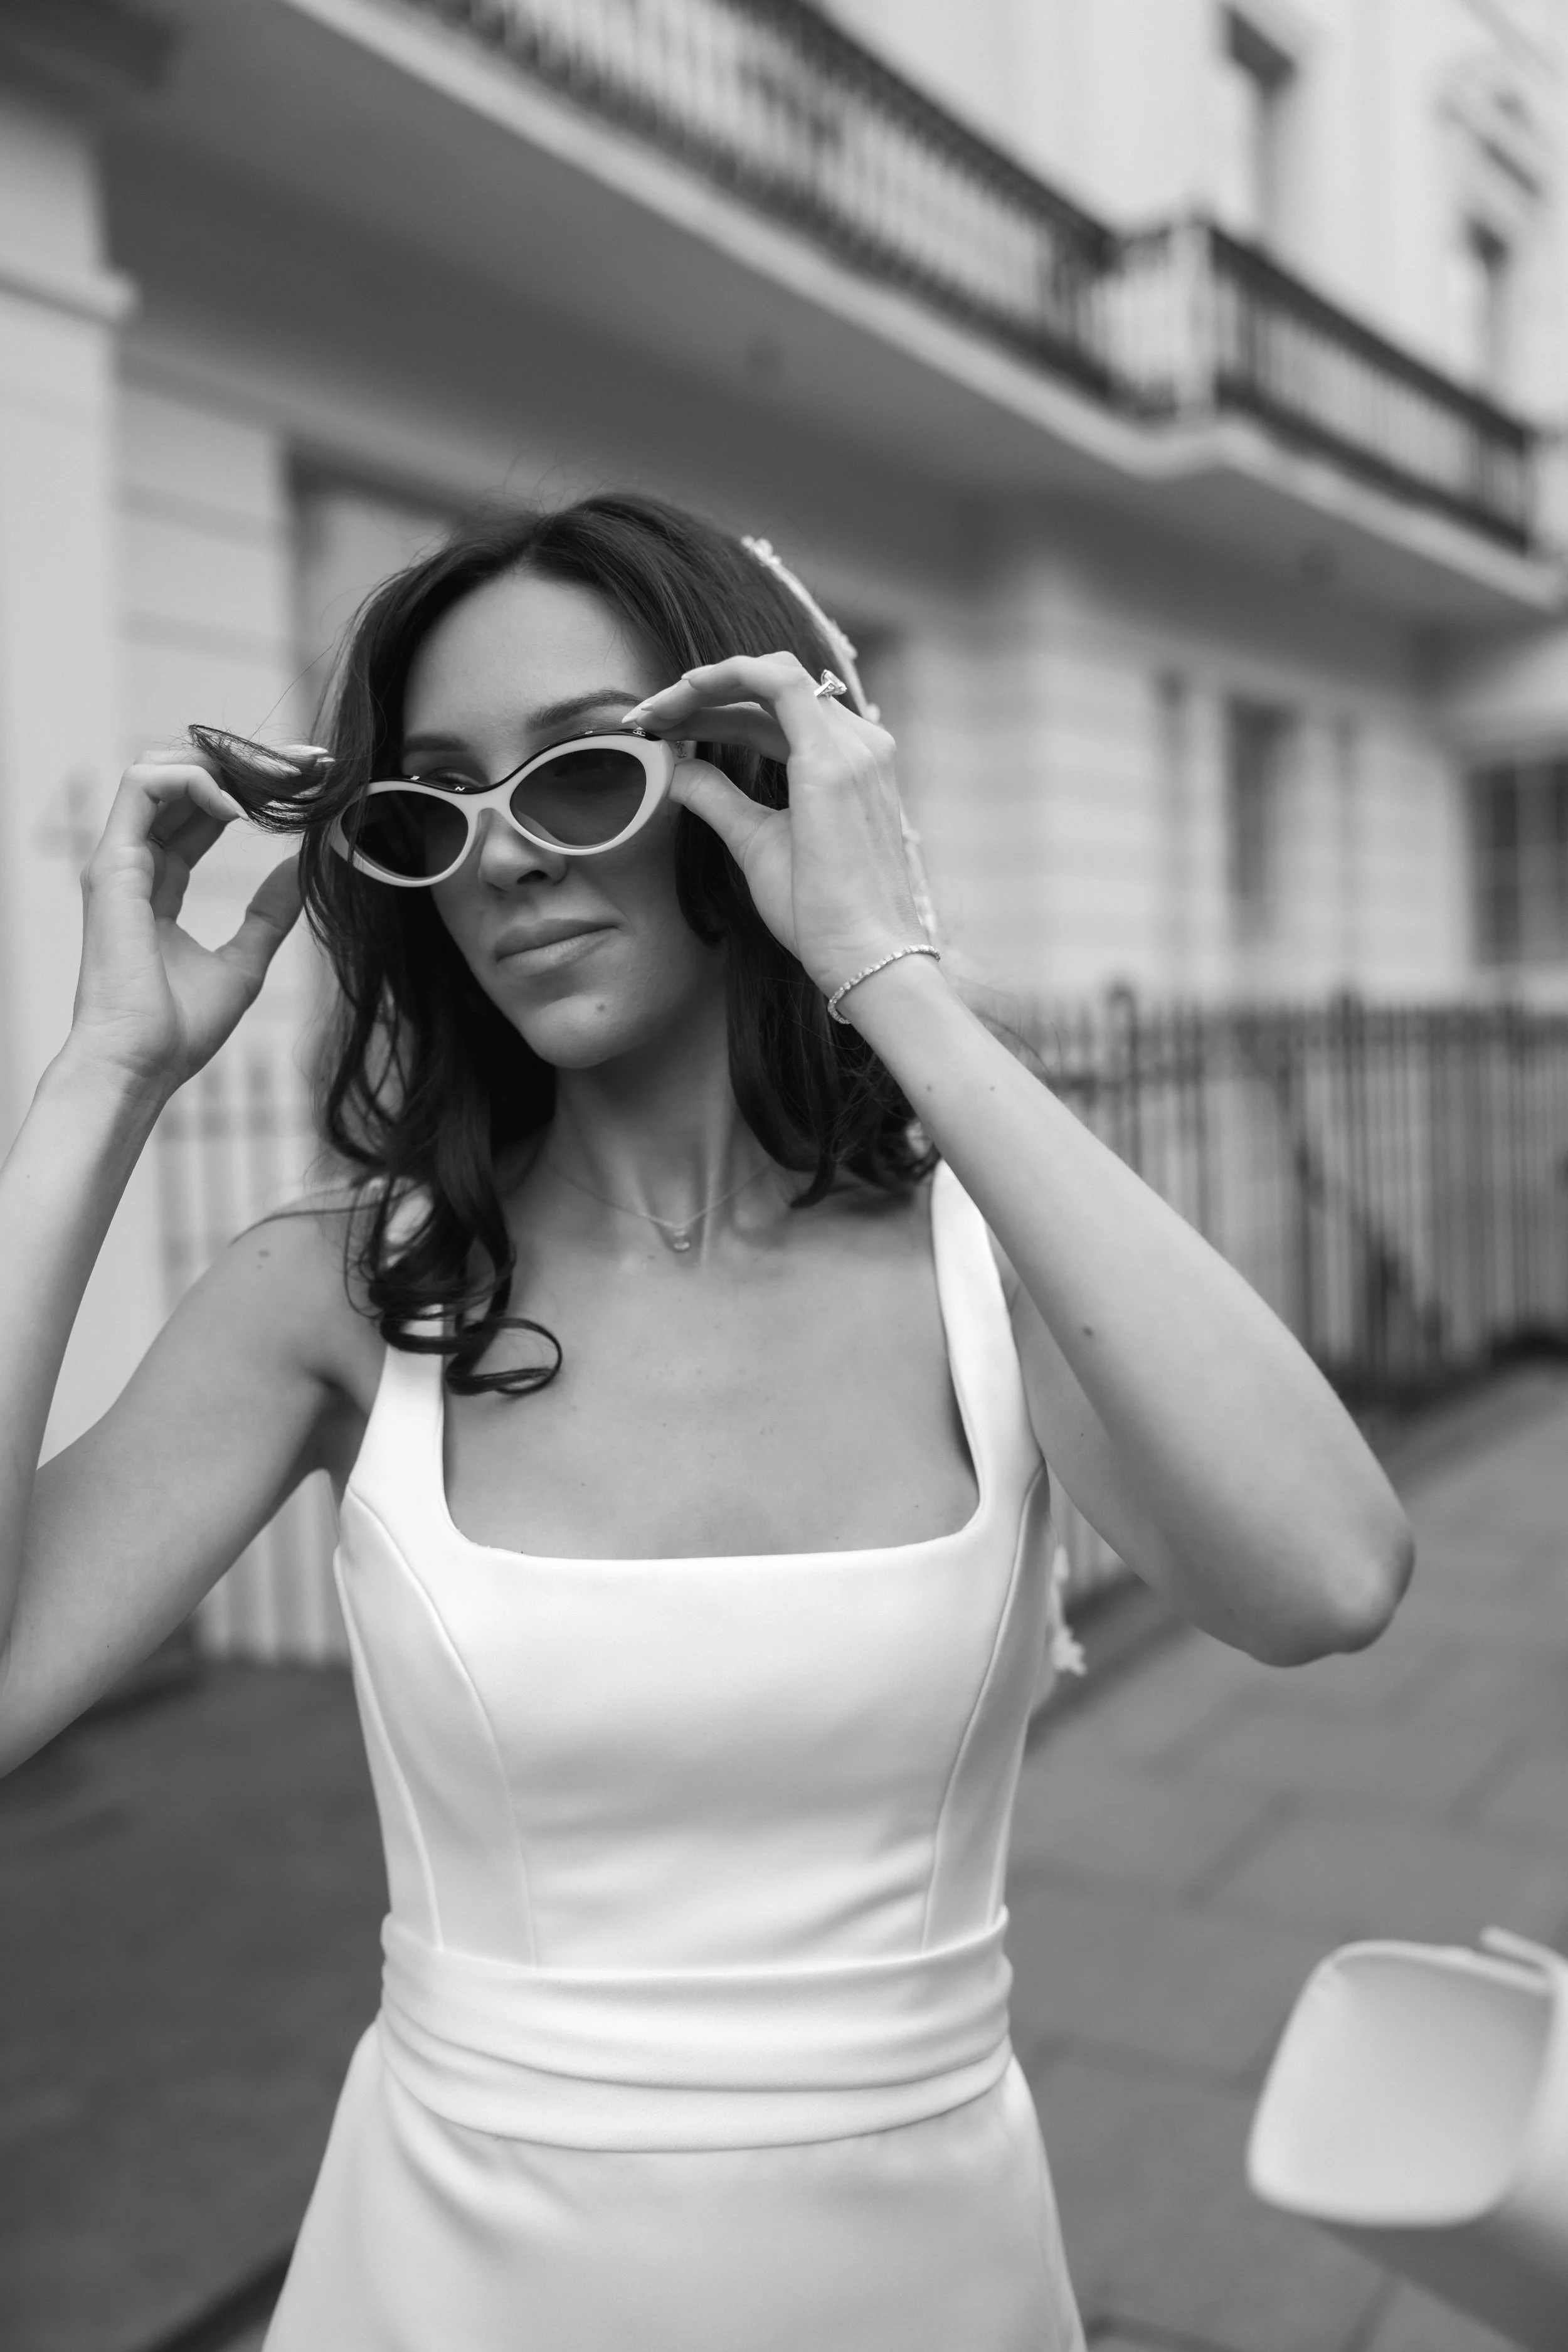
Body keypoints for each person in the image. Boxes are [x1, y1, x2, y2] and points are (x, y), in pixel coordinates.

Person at [0, 492, 1413, 2350]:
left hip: (922, 2279)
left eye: (583, 773)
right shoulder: (337, 1294)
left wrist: (886, 962)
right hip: (443, 2280)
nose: (503, 857)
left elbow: (1323, 1575)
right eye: (436, 803)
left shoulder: (989, 1269)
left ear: (753, 781)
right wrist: (107, 1072)